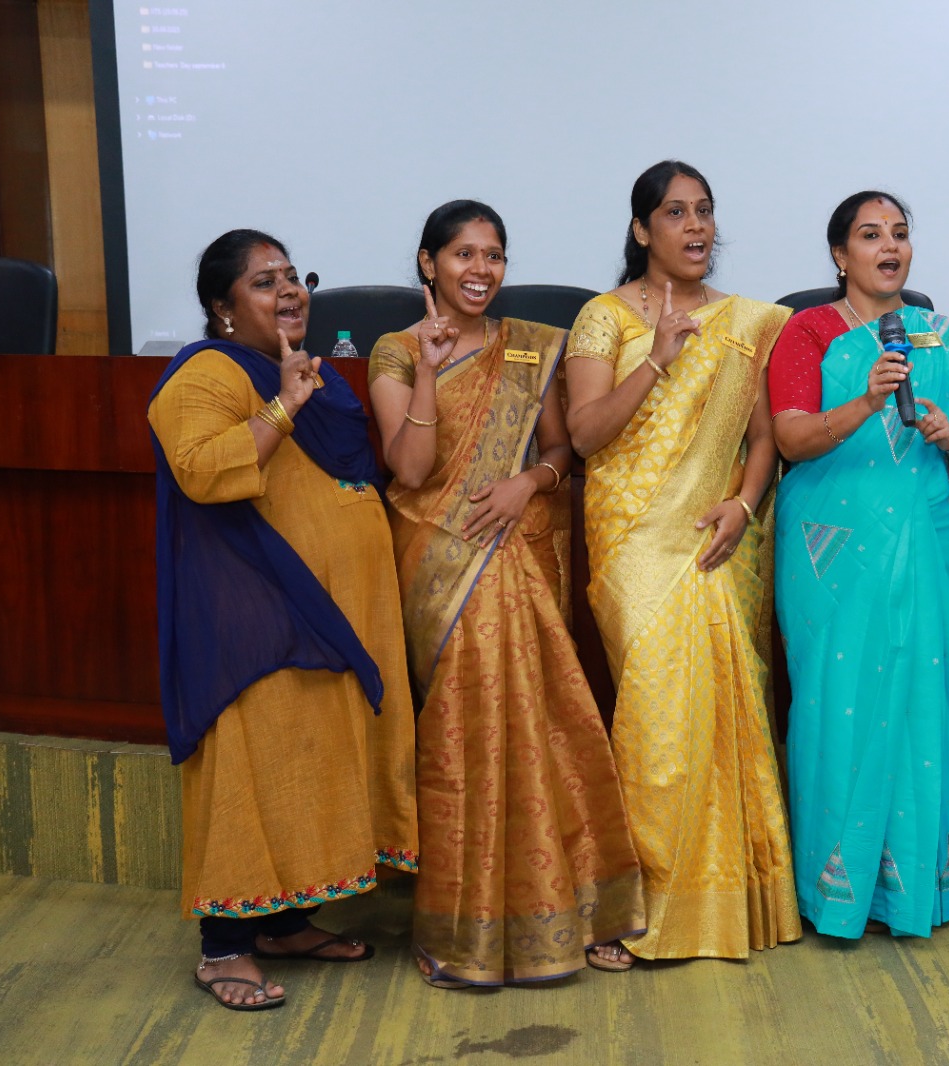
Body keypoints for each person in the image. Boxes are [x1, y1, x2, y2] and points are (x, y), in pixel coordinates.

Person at [366, 200, 645, 984]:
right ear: (429, 264)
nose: (481, 270)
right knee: (464, 737)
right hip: (440, 559)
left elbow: (560, 446)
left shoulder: (530, 346)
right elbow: (409, 468)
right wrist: (429, 368)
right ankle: (467, 931)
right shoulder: (395, 351)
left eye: (494, 255)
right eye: (464, 254)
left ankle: (566, 911)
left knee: (546, 723)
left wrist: (531, 481)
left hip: (518, 550)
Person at [148, 230, 418, 1011]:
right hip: (260, 608)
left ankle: (286, 924)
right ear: (222, 308)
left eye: (293, 276)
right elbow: (204, 471)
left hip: (331, 611)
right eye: (264, 282)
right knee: (253, 765)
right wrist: (284, 404)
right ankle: (224, 948)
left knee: (309, 759)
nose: (289, 290)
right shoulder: (206, 372)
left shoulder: (308, 371)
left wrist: (299, 390)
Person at [564, 161, 801, 960]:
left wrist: (745, 504)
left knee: (722, 725)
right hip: (634, 541)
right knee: (658, 731)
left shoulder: (748, 323)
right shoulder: (603, 318)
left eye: (704, 211)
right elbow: (586, 434)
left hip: (714, 536)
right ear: (641, 230)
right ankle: (640, 910)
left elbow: (762, 438)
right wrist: (658, 357)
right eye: (675, 212)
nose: (696, 226)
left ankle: (719, 908)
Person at [770, 190, 949, 937]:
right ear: (840, 255)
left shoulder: (942, 338)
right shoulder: (808, 331)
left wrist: (948, 437)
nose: (889, 246)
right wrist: (867, 402)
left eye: (899, 233)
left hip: (930, 543)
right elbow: (792, 438)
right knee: (838, 703)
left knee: (929, 706)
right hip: (836, 551)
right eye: (870, 235)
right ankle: (841, 890)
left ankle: (920, 889)